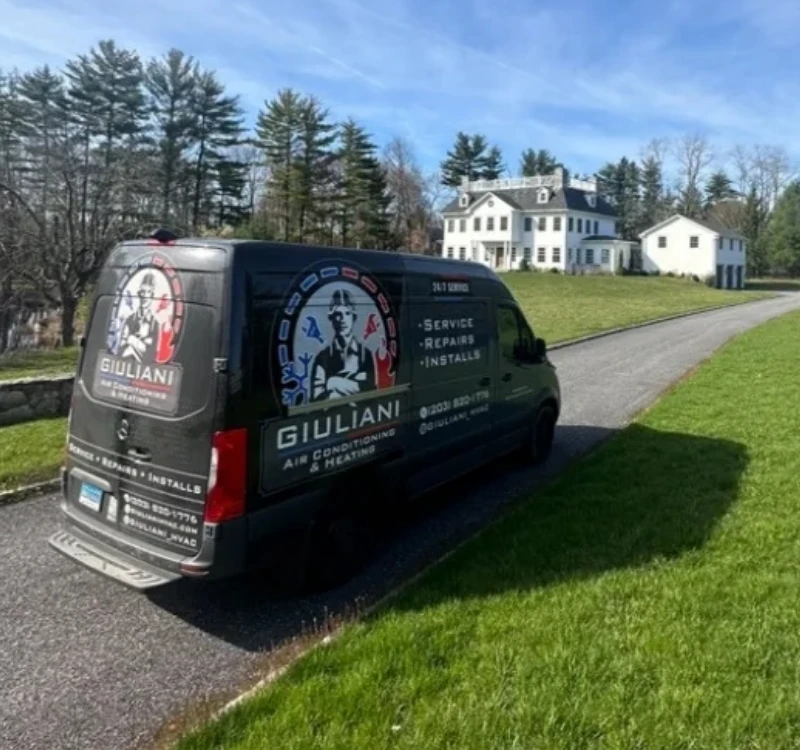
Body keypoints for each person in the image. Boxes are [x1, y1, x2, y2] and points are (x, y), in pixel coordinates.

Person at [310, 288, 376, 401]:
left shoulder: (365, 354)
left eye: (347, 313)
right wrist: (354, 381)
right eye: (338, 314)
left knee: (331, 381)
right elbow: (317, 398)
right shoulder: (322, 358)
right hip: (332, 415)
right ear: (332, 319)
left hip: (361, 411)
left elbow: (370, 391)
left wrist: (333, 383)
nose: (342, 319)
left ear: (353, 317)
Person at [120, 272, 160, 363]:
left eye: (148, 292)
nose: (145, 296)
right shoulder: (130, 319)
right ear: (139, 294)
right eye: (143, 292)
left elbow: (151, 353)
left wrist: (132, 339)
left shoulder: (155, 324)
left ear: (152, 295)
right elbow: (121, 348)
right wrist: (142, 343)